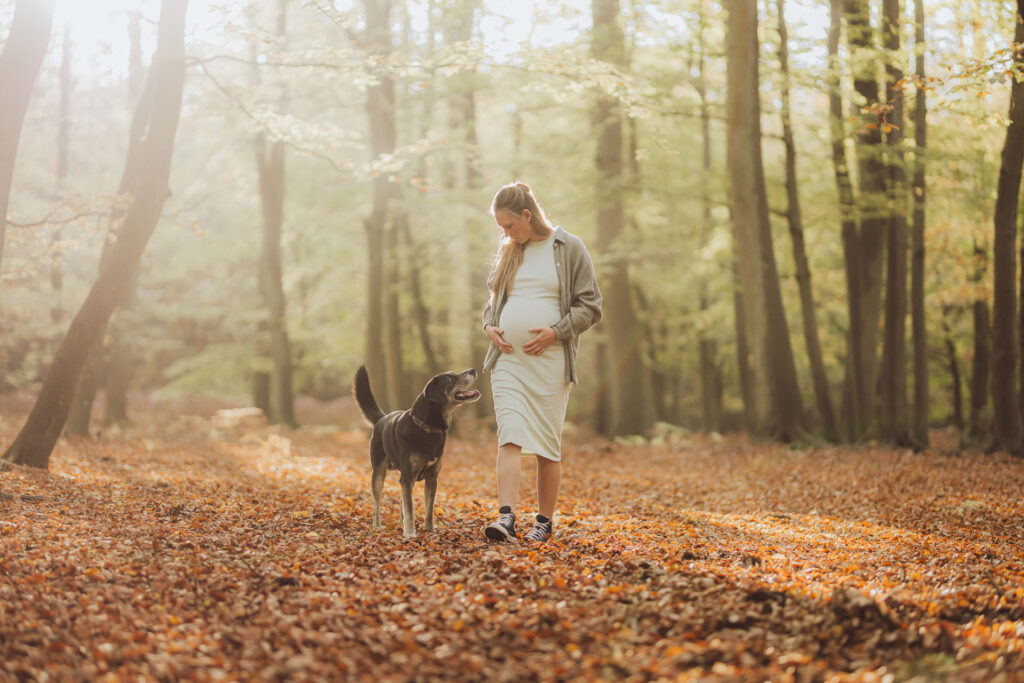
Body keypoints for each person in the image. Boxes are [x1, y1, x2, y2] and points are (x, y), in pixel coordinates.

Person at [480, 182, 602, 543]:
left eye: (508, 225)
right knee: (510, 433)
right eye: (501, 227)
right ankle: (506, 517)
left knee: (548, 445)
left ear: (527, 216)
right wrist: (490, 326)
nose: (505, 233)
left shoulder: (569, 248)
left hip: (550, 363)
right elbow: (492, 302)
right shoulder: (509, 252)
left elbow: (591, 306)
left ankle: (544, 522)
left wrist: (555, 331)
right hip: (509, 361)